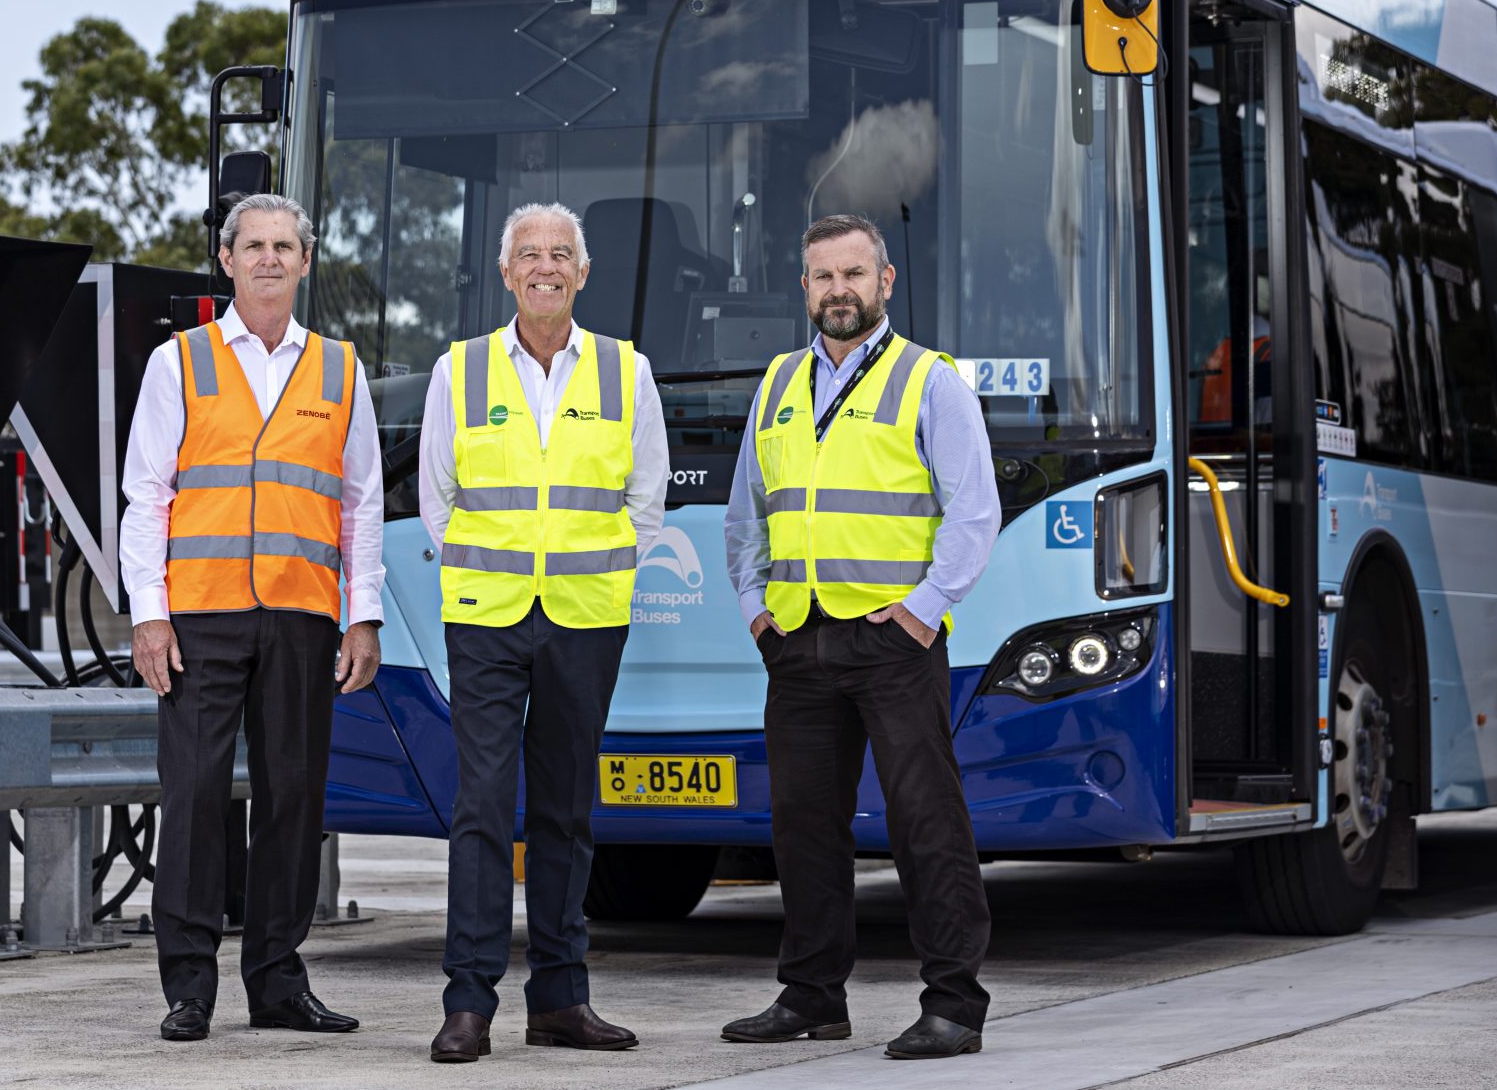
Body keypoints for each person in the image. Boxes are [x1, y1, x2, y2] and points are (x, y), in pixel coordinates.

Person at [721, 212, 1000, 1061]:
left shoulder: (930, 381)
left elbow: (975, 511)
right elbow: (747, 516)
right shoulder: (775, 383)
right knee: (802, 826)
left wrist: (921, 610)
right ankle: (812, 995)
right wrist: (754, 608)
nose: (838, 290)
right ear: (803, 288)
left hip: (893, 643)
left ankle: (954, 1002)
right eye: (822, 276)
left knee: (926, 821)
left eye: (854, 274)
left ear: (884, 282)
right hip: (797, 642)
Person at [120, 192, 384, 1043]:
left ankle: (276, 980)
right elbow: (146, 496)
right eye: (254, 245)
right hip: (199, 618)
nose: (270, 257)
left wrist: (364, 614)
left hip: (304, 614)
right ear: (226, 261)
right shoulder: (180, 363)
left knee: (293, 800)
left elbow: (362, 504)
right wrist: (148, 615)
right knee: (194, 796)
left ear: (306, 262)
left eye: (285, 245)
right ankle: (188, 987)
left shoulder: (341, 370)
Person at [418, 201, 668, 1063]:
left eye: (561, 254)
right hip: (486, 618)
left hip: (585, 620)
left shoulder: (626, 372)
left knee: (565, 811)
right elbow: (436, 499)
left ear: (583, 273)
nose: (546, 267)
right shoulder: (460, 369)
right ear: (505, 272)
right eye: (530, 254)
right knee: (482, 805)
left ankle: (561, 998)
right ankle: (468, 1002)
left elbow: (646, 498)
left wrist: (592, 569)